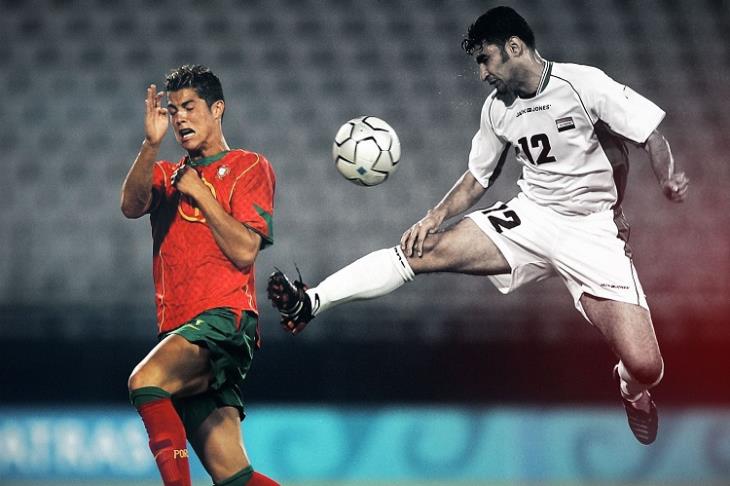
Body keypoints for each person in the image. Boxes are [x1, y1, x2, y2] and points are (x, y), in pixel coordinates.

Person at [267, 6, 689, 446]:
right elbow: (477, 178)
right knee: (420, 250)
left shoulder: (583, 85)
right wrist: (434, 217)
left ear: (514, 47)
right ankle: (311, 301)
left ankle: (631, 391)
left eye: (485, 59)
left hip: (592, 231)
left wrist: (667, 178)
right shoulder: (497, 110)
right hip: (533, 216)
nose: (482, 73)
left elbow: (651, 135)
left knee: (646, 366)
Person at [121, 65, 279, 486]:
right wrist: (150, 145)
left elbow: (244, 250)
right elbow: (131, 206)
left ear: (217, 108)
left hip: (223, 321)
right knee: (234, 477)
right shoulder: (166, 174)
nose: (180, 119)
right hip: (180, 328)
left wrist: (200, 193)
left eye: (189, 107)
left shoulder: (248, 166)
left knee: (145, 381)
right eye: (173, 111)